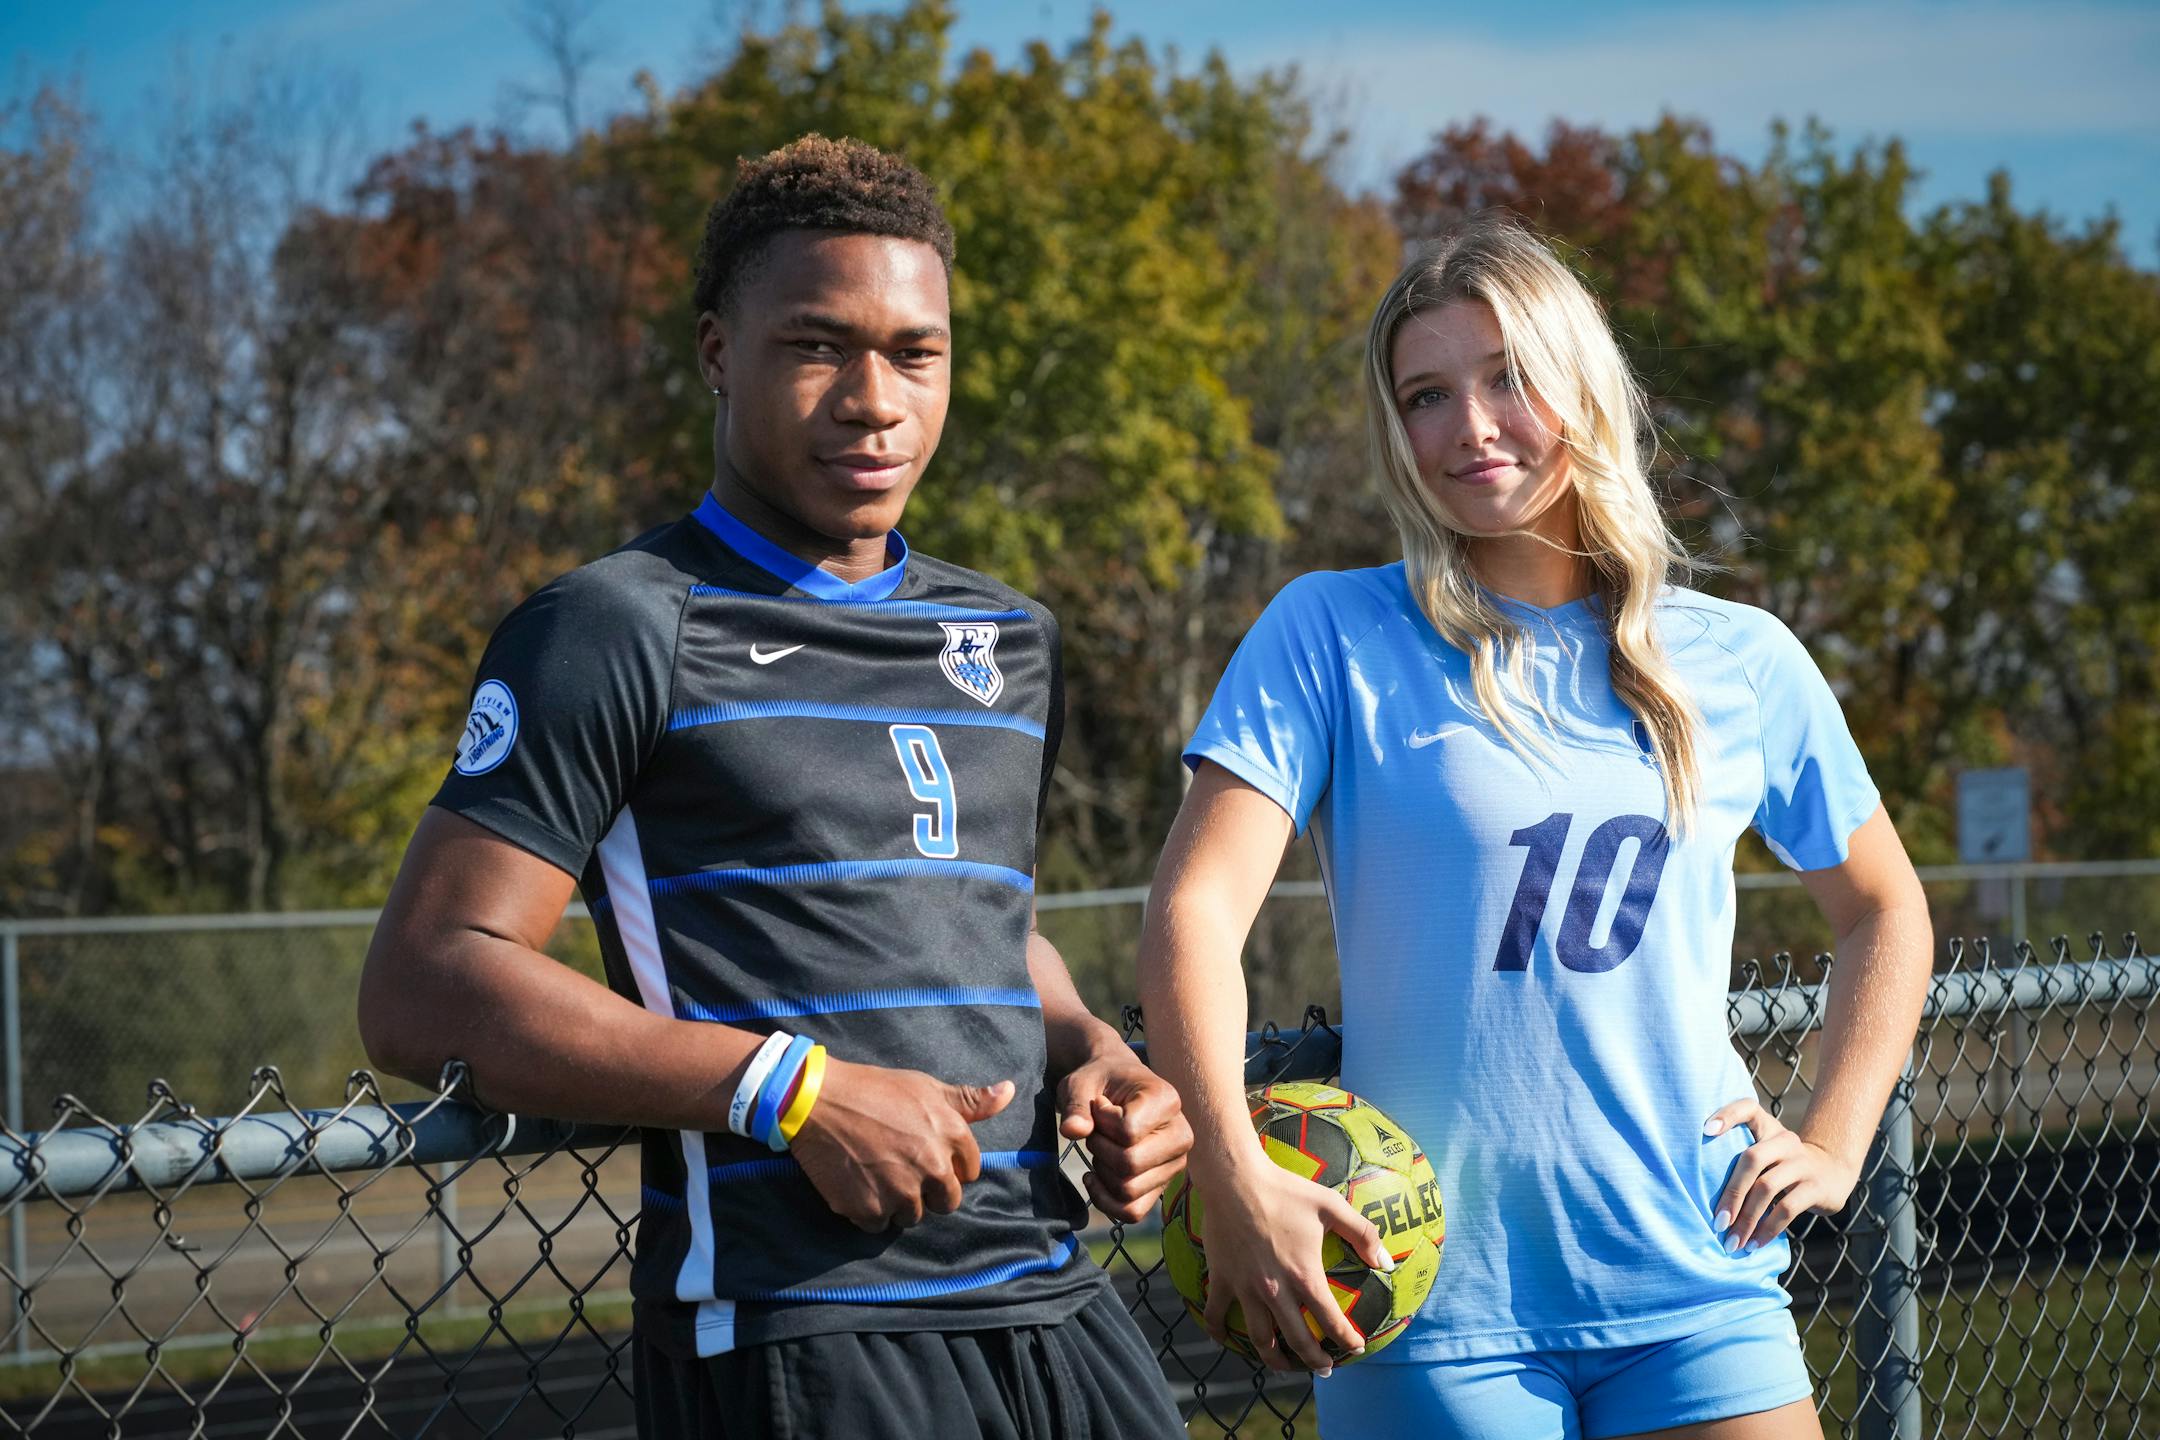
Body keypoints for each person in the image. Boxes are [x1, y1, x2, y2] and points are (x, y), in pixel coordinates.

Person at [358, 135, 1191, 1440]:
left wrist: (1097, 1054)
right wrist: (789, 1091)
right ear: (714, 353)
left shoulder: (1010, 639)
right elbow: (424, 982)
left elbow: (980, 921)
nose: (875, 398)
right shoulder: (614, 627)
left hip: (1059, 1305)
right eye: (817, 346)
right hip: (802, 1329)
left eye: (917, 353)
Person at [1135, 216, 1934, 1440]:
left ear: (1583, 383)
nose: (1472, 426)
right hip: (1427, 1306)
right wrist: (1228, 1165)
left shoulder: (1739, 658)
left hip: (1697, 1278)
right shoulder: (1330, 633)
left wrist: (1832, 1138)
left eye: (1509, 375)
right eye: (1426, 395)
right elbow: (1195, 910)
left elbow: (1884, 907)